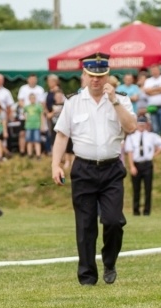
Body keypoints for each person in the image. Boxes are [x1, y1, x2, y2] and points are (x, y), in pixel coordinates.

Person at [51, 52, 136, 286]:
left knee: (113, 221)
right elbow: (61, 136)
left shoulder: (122, 99)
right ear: (84, 75)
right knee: (86, 225)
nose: (96, 80)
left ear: (107, 75)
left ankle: (110, 261)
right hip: (84, 168)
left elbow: (131, 127)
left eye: (100, 75)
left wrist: (115, 102)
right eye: (91, 76)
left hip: (111, 170)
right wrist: (55, 165)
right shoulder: (73, 102)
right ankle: (87, 276)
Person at [125, 115, 161, 216]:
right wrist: (131, 166)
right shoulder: (131, 137)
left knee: (148, 188)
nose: (141, 126)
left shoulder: (151, 136)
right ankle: (136, 210)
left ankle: (147, 211)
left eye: (143, 124)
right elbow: (130, 152)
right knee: (136, 189)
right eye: (139, 124)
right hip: (136, 163)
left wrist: (155, 154)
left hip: (147, 163)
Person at [23, 92, 43, 159]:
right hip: (29, 125)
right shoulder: (27, 107)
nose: (32, 99)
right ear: (29, 99)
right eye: (31, 98)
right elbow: (23, 113)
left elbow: (41, 115)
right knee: (29, 140)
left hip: (36, 125)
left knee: (37, 140)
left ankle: (38, 155)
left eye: (33, 98)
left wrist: (42, 124)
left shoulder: (38, 106)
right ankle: (30, 154)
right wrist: (26, 119)